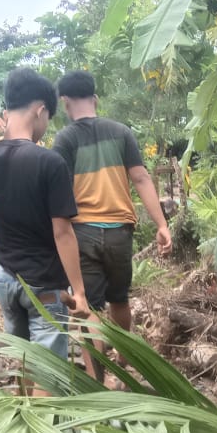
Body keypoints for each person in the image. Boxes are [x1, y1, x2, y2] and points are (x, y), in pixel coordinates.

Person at [0, 67, 89, 389]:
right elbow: (63, 232)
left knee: (23, 364)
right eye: (47, 117)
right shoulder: (49, 162)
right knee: (47, 376)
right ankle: (43, 432)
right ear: (40, 110)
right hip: (44, 283)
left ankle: (24, 427)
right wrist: (79, 291)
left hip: (6, 279)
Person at [53, 70, 171, 377]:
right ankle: (123, 355)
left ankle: (95, 376)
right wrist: (162, 225)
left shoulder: (64, 139)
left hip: (82, 233)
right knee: (119, 299)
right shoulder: (121, 132)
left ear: (65, 103)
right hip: (120, 232)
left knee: (89, 308)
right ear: (95, 99)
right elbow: (142, 178)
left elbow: (59, 191)